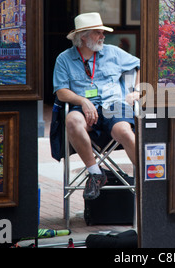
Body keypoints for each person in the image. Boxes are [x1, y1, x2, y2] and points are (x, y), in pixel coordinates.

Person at [53, 12, 140, 200]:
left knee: (125, 131)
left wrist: (137, 92)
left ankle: (146, 180)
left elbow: (141, 65)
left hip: (114, 105)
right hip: (84, 109)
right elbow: (61, 91)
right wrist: (83, 101)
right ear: (83, 36)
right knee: (72, 120)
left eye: (103, 32)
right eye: (98, 33)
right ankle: (95, 173)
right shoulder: (64, 59)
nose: (103, 36)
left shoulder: (113, 52)